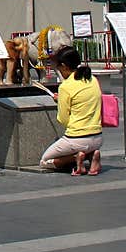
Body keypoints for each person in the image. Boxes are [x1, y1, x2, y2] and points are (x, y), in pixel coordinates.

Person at [39, 45, 103, 175]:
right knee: (85, 146)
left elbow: (63, 119)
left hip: (77, 138)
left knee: (45, 161)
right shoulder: (92, 79)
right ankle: (91, 155)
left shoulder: (66, 86)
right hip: (97, 137)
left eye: (58, 68)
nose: (59, 71)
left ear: (64, 66)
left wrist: (60, 101)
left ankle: (76, 157)